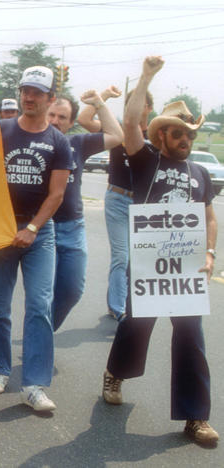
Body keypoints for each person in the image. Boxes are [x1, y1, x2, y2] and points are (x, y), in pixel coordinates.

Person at [102, 56, 219, 446]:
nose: (186, 140)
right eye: (179, 134)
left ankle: (195, 417)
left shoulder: (201, 174)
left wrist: (210, 254)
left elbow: (209, 218)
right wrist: (147, 76)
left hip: (186, 270)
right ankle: (116, 372)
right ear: (162, 136)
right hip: (149, 263)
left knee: (190, 335)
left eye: (190, 135)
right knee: (137, 325)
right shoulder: (146, 161)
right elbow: (133, 121)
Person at [0, 66, 71, 412]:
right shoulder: (0, 130)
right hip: (2, 229)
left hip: (39, 233)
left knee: (39, 306)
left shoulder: (58, 141)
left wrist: (32, 228)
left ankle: (34, 384)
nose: (29, 97)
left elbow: (57, 194)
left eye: (37, 92)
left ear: (50, 99)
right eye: (25, 91)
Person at [48, 91, 123, 330]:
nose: (55, 121)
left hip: (72, 227)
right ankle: (39, 339)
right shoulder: (29, 140)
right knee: (41, 293)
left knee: (72, 290)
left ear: (71, 124)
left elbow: (115, 135)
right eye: (51, 114)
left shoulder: (77, 143)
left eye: (62, 117)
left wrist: (100, 102)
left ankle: (45, 330)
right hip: (39, 229)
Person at [78, 86, 149, 321]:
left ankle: (120, 300)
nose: (135, 111)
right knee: (121, 256)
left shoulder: (157, 137)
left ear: (147, 108)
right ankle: (119, 309)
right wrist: (103, 97)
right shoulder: (117, 131)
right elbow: (84, 119)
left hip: (143, 206)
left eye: (139, 105)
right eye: (130, 106)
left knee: (137, 257)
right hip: (117, 199)